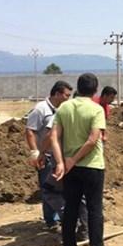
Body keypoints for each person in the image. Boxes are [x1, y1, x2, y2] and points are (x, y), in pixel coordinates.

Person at [51, 73, 116, 246]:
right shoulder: (96, 110)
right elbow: (93, 140)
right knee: (95, 209)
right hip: (92, 166)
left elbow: (54, 136)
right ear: (96, 90)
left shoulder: (64, 108)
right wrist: (73, 160)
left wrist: (62, 162)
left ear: (78, 88)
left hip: (71, 168)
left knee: (71, 208)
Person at [25, 81, 72, 229]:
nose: (68, 98)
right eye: (66, 95)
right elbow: (30, 131)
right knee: (48, 188)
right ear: (57, 94)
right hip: (45, 155)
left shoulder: (59, 110)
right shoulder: (41, 109)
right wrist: (35, 152)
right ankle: (50, 221)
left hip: (56, 154)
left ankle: (57, 217)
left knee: (58, 188)